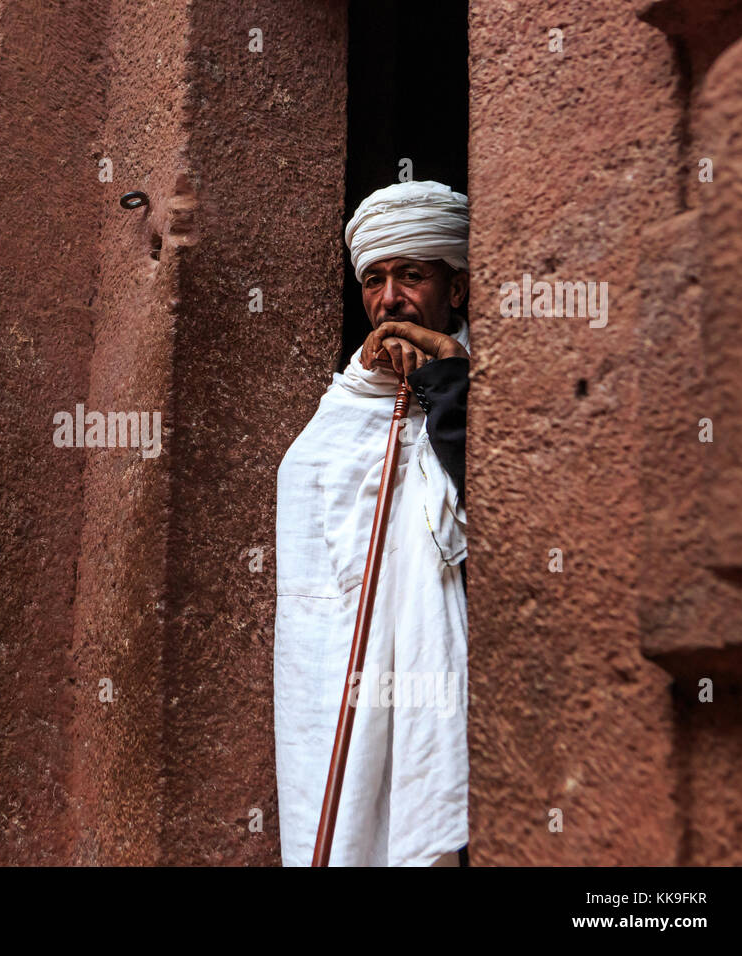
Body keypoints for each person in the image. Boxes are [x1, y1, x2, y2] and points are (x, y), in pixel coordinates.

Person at [275, 180, 471, 867]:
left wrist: (446, 384)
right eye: (375, 279)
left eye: (412, 276)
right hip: (342, 676)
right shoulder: (349, 398)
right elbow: (308, 493)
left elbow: (476, 495)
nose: (389, 300)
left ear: (457, 289)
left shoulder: (482, 381)